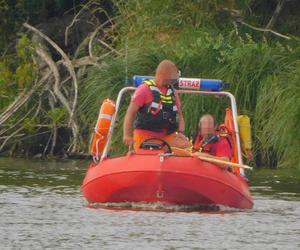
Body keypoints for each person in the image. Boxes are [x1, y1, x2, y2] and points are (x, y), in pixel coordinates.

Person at [123, 60, 190, 150]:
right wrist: (127, 135)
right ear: (164, 74)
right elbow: (130, 113)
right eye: (172, 76)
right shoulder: (144, 89)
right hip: (145, 137)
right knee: (158, 151)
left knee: (186, 146)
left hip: (168, 137)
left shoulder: (173, 92)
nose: (174, 79)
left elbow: (180, 115)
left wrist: (181, 132)